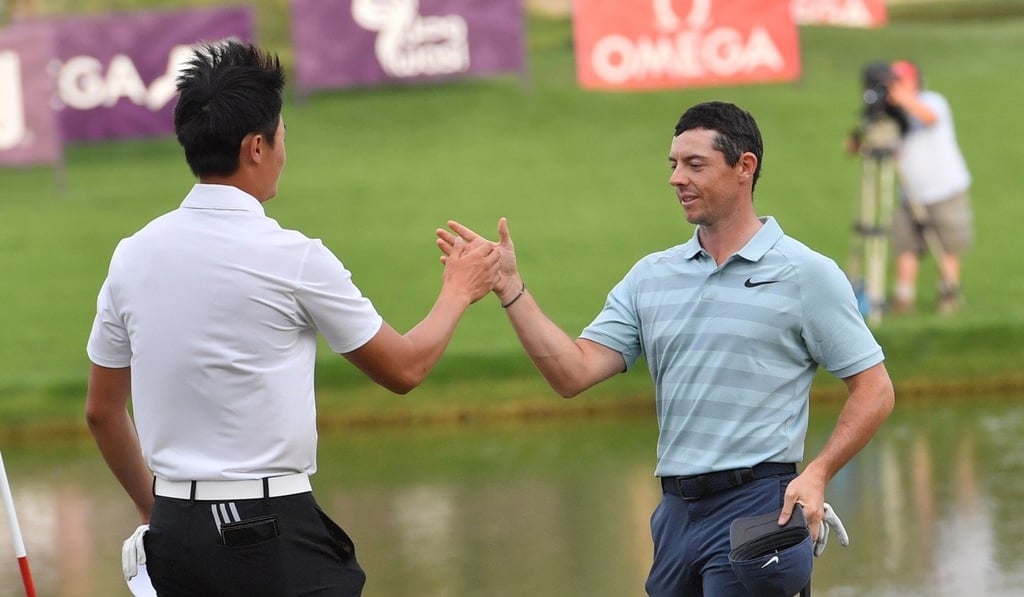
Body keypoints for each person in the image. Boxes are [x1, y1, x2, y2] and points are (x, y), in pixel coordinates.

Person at [84, 40, 499, 597]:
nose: (284, 150)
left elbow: (102, 412)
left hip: (174, 537)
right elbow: (404, 369)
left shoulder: (130, 255)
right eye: (281, 137)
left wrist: (153, 509)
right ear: (256, 146)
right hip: (268, 529)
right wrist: (458, 290)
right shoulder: (294, 257)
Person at [438, 101, 895, 596]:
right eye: (673, 164)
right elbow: (572, 373)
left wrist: (818, 473)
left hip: (758, 506)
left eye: (694, 165)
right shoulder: (651, 276)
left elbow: (874, 389)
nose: (677, 178)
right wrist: (510, 287)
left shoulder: (805, 273)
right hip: (676, 515)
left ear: (745, 167)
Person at [886, 59, 973, 314]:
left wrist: (902, 100)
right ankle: (903, 299)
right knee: (906, 246)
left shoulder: (933, 100)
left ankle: (949, 295)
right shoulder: (894, 116)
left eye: (901, 82)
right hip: (910, 195)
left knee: (947, 244)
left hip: (945, 190)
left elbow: (929, 116)